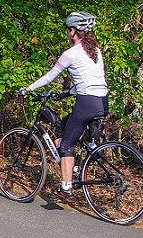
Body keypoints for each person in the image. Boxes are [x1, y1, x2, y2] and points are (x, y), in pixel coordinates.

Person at [19, 11, 109, 201]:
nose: (68, 34)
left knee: (67, 145)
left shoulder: (71, 53)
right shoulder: (97, 52)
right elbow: (91, 80)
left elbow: (50, 76)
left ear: (73, 31)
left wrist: (28, 88)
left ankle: (66, 187)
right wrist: (67, 93)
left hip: (87, 103)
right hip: (102, 102)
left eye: (69, 30)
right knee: (66, 127)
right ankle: (86, 154)